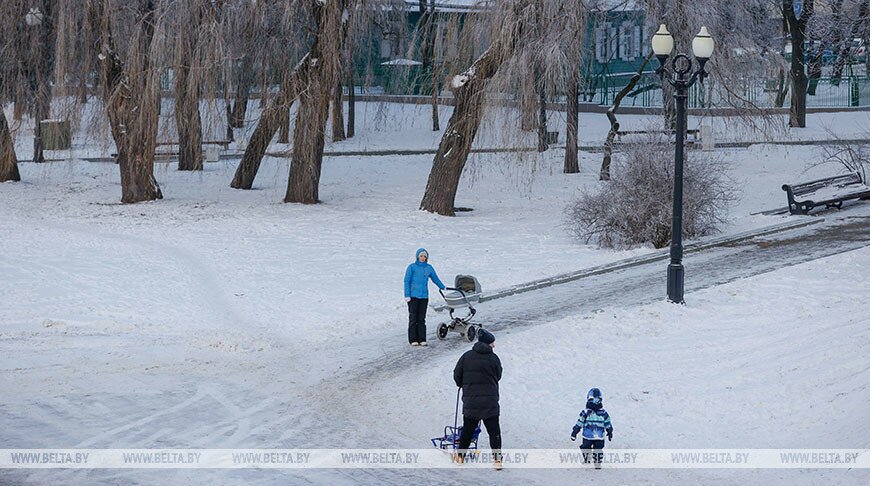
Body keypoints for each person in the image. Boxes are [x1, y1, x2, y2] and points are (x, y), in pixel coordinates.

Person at [453, 328, 503, 470]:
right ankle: (497, 461)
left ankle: (460, 457)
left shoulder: (466, 356)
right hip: (490, 401)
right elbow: (498, 375)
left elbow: (457, 375)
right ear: (488, 344)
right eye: (492, 344)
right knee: (494, 432)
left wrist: (463, 384)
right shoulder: (494, 358)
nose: (494, 346)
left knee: (468, 430)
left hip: (471, 401)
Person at [403, 248, 445, 347]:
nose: (423, 258)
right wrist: (407, 295)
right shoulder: (412, 267)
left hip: (424, 297)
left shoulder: (429, 268)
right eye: (421, 256)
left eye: (424, 256)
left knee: (421, 318)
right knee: (413, 318)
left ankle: (422, 339)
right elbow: (406, 281)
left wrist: (443, 287)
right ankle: (413, 339)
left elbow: (435, 278)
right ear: (418, 256)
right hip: (413, 297)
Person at [570, 387, 613, 469]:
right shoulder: (596, 412)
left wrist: (575, 432)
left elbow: (580, 423)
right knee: (592, 449)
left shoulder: (593, 412)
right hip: (594, 436)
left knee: (591, 449)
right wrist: (609, 431)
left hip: (592, 436)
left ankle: (592, 461)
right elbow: (607, 422)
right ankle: (592, 461)